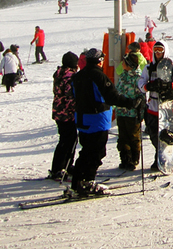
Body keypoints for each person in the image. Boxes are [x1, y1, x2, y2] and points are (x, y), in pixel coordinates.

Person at [71, 48, 137, 195]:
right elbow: (111, 96)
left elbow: (74, 96)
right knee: (96, 152)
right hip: (97, 119)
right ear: (100, 61)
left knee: (86, 151)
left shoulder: (78, 76)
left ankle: (77, 181)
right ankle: (87, 181)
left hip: (82, 118)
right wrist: (130, 103)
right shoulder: (98, 76)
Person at [139, 40, 173, 168]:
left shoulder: (172, 66)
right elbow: (141, 83)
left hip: (167, 106)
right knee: (154, 136)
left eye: (160, 50)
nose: (158, 53)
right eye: (156, 50)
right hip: (153, 105)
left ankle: (165, 158)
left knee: (165, 136)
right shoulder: (148, 68)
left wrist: (170, 85)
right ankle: (170, 155)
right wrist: (148, 86)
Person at [49, 51, 79, 181]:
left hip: (58, 111)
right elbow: (70, 96)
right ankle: (60, 167)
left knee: (66, 139)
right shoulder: (70, 76)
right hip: (67, 112)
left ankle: (64, 165)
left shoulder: (59, 73)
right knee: (68, 141)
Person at [115, 51, 145, 171]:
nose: (122, 64)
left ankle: (134, 158)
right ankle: (125, 158)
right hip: (121, 111)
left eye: (124, 62)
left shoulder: (138, 78)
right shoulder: (123, 75)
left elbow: (142, 97)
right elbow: (118, 90)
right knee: (122, 136)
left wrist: (140, 112)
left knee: (133, 136)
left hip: (132, 113)